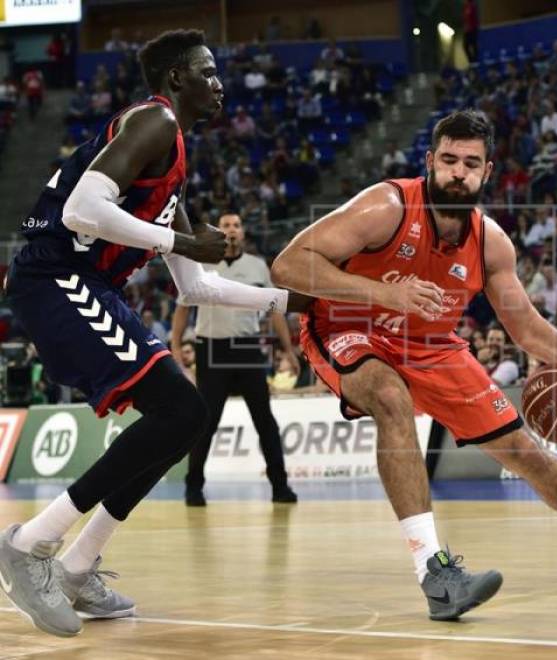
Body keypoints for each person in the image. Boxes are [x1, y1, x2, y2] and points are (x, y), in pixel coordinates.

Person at [271, 110, 557, 622]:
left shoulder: (490, 241)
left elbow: (523, 325)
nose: (458, 172)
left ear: (487, 172)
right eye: (449, 160)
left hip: (432, 344)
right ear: (430, 162)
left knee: (523, 450)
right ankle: (435, 572)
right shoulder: (385, 205)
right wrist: (386, 293)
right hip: (348, 327)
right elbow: (288, 263)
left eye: (470, 163)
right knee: (391, 398)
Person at [0, 30, 293, 638]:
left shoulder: (173, 160)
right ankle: (30, 546)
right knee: (180, 409)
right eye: (207, 72)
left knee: (183, 417)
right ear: (175, 80)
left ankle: (77, 569)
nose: (218, 83)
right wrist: (184, 239)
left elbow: (197, 289)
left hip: (84, 285)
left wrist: (290, 301)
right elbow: (82, 210)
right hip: (54, 276)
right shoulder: (153, 122)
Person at [171, 213, 299, 506]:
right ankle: (194, 487)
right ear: (218, 231)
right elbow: (182, 307)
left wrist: (289, 349)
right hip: (211, 348)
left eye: (236, 225)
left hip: (247, 348)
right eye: (225, 225)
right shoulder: (201, 262)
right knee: (207, 421)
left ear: (242, 233)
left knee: (264, 420)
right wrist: (176, 345)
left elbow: (274, 308)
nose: (231, 229)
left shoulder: (257, 266)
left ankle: (280, 486)